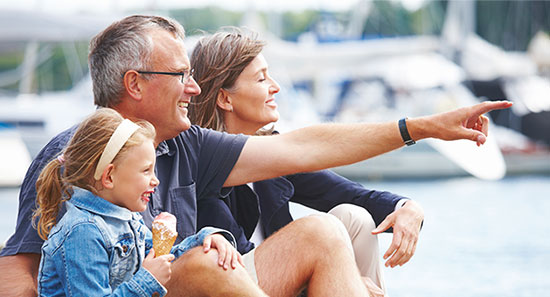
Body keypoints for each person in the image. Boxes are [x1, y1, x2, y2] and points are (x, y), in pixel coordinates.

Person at [0, 15, 511, 297]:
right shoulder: (70, 154)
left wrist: (421, 127)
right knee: (199, 264)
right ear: (135, 84)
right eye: (181, 76)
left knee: (325, 228)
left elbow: (305, 147)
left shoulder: (187, 145)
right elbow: (17, 272)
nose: (193, 87)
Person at [189, 27, 425, 293]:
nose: (275, 87)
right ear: (224, 98)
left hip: (282, 275)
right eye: (261, 79)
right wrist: (345, 279)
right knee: (320, 230)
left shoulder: (271, 154)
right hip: (238, 284)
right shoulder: (201, 162)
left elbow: (349, 194)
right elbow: (239, 258)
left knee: (354, 216)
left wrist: (406, 207)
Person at [34, 108, 240, 296]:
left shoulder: (127, 217)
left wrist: (205, 238)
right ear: (109, 177)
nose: (155, 180)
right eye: (145, 170)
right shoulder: (82, 231)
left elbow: (163, 258)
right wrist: (148, 280)